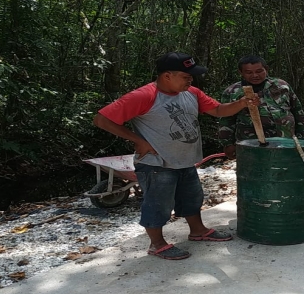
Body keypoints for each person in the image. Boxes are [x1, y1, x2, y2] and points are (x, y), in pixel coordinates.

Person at [93, 52, 258, 260]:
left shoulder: (192, 93)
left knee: (192, 197)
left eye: (191, 76)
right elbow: (101, 119)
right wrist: (138, 140)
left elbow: (217, 110)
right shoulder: (144, 96)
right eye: (185, 76)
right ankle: (157, 244)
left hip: (184, 160)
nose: (190, 79)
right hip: (157, 163)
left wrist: (242, 103)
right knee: (158, 204)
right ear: (167, 76)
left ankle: (197, 230)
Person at [218, 55, 304, 158]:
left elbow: (298, 111)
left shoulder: (281, 86)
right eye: (249, 72)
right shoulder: (232, 92)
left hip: (286, 142)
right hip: (252, 146)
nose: (255, 75)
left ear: (266, 69)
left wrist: (303, 138)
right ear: (241, 72)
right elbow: (226, 119)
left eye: (259, 71)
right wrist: (227, 144)